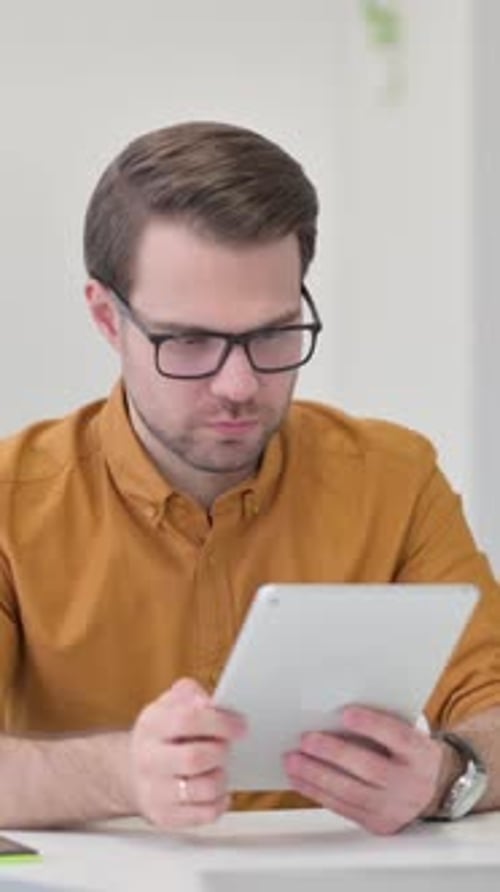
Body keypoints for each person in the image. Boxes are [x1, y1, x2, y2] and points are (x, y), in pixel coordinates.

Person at [0, 121, 499, 836]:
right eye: (189, 340)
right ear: (108, 318)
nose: (238, 385)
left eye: (272, 332)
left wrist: (447, 776)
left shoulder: (394, 480)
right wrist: (119, 774)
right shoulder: (12, 499)